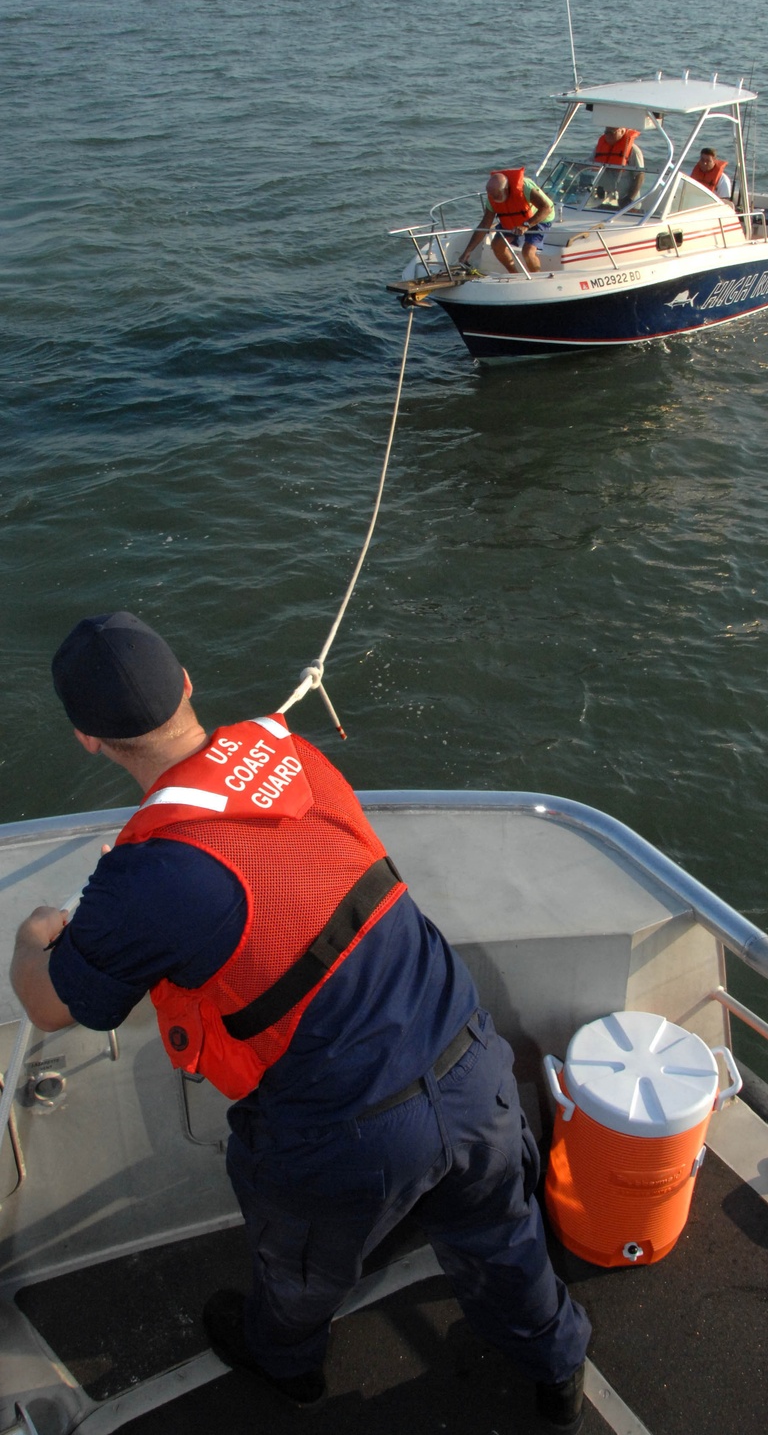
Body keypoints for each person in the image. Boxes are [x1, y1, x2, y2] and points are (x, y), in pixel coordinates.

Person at [12, 612, 590, 1428]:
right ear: (187, 684)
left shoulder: (140, 881)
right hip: (468, 1056)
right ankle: (559, 1366)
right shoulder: (297, 755)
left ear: (87, 739)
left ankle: (289, 1369)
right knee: (504, 1234)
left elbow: (49, 1000)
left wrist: (32, 938)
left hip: (346, 1135)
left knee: (301, 1270)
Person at [458, 167, 555, 274]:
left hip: (538, 217)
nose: (494, 198)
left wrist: (526, 225)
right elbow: (485, 224)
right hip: (514, 219)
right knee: (497, 245)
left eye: (497, 194)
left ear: (506, 189)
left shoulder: (525, 188)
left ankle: (537, 277)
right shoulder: (493, 198)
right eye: (492, 195)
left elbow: (546, 209)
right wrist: (468, 251)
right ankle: (514, 273)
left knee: (528, 251)